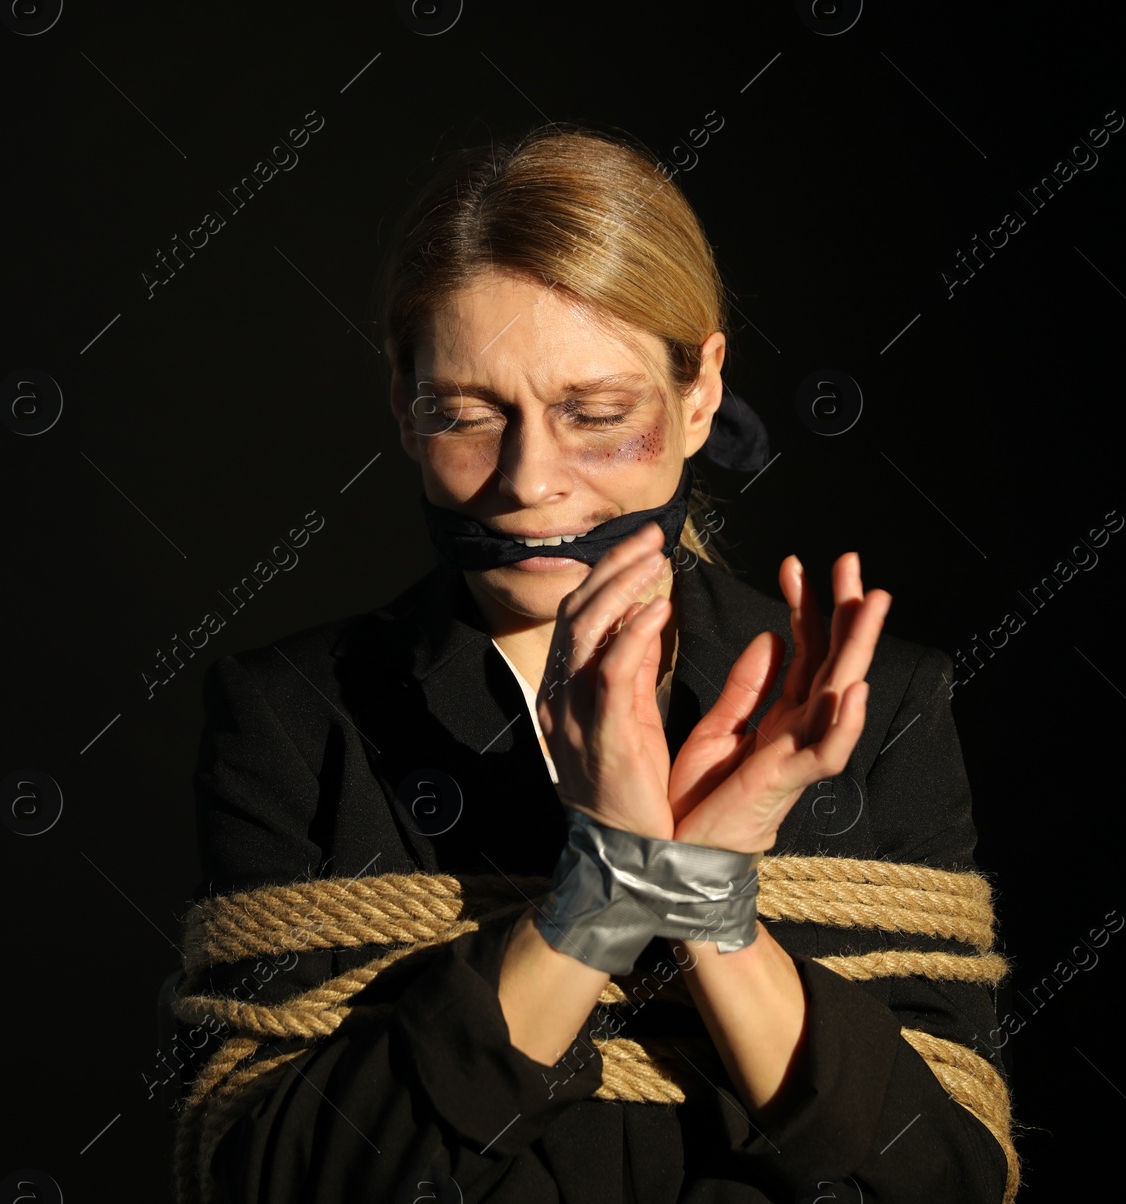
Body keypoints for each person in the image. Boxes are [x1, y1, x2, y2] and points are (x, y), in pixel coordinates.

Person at [176, 122, 1017, 1203]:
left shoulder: (881, 705)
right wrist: (607, 888)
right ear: (400, 397)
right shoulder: (292, 718)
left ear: (702, 390)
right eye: (467, 415)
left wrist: (706, 901)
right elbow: (276, 1183)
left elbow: (940, 1179)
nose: (530, 481)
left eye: (597, 413)